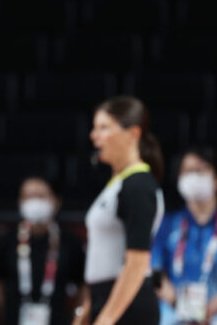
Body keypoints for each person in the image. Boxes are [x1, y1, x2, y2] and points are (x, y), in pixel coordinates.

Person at [75, 96, 165, 325]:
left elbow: (136, 261)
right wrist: (87, 310)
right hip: (105, 298)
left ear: (133, 133)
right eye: (95, 128)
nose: (94, 136)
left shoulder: (138, 185)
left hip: (128, 306)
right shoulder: (117, 184)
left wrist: (106, 319)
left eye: (103, 128)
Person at [151, 147, 217, 325]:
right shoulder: (165, 225)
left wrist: (209, 311)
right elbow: (154, 273)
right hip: (174, 319)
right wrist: (182, 306)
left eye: (201, 170)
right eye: (187, 171)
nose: (194, 176)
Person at [0, 176, 85, 325]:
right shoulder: (6, 240)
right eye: (27, 196)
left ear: (56, 200)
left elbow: (82, 285)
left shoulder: (69, 241)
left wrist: (78, 316)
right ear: (20, 202)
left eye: (40, 195)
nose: (34, 202)